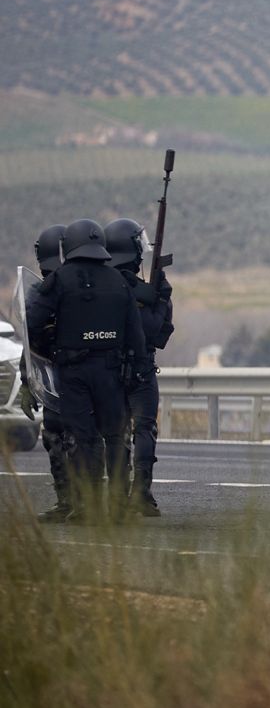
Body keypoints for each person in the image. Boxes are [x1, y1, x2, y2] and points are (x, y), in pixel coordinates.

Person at [25, 219, 146, 522]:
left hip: (74, 373)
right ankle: (118, 507)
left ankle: (88, 507)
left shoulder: (60, 280)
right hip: (111, 371)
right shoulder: (118, 281)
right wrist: (135, 373)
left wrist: (49, 345)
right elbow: (135, 335)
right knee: (115, 438)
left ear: (69, 246)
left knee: (83, 438)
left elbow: (32, 323)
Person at [104, 218, 174, 517]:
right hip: (141, 370)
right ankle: (141, 494)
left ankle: (117, 496)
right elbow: (157, 333)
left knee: (115, 434)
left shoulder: (99, 288)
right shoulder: (140, 292)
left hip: (108, 371)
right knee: (144, 429)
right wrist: (162, 301)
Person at [22, 224, 71, 522]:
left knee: (69, 438)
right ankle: (69, 500)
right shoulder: (42, 293)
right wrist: (29, 381)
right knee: (56, 436)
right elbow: (31, 343)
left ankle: (74, 500)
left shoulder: (53, 292)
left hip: (69, 374)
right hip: (56, 375)